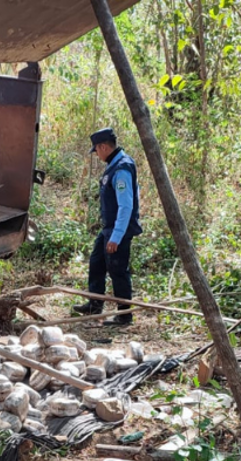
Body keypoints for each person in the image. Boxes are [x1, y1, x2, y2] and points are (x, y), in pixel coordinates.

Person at [73, 127, 142, 326]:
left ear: (103, 147)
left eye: (96, 150)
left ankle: (124, 315)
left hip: (118, 229)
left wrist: (117, 236)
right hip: (109, 228)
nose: (97, 154)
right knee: (97, 263)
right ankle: (95, 305)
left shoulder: (121, 168)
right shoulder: (115, 164)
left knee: (118, 270)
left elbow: (126, 205)